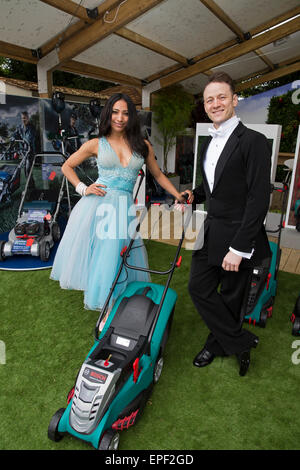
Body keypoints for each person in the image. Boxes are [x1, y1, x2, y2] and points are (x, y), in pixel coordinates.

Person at [50, 93, 188, 327]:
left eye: (125, 112)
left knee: (120, 257)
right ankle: (106, 310)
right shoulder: (96, 143)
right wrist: (83, 188)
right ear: (108, 114)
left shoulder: (142, 146)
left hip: (123, 209)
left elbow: (157, 174)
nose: (120, 117)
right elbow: (67, 166)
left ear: (131, 116)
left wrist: (178, 195)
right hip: (98, 206)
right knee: (105, 258)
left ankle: (118, 303)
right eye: (115, 112)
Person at [188, 72, 272, 376]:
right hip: (211, 230)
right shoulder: (210, 143)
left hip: (239, 237)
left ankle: (218, 343)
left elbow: (258, 198)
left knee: (232, 297)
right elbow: (216, 185)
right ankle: (239, 341)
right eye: (210, 99)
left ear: (235, 100)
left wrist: (239, 247)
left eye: (222, 97)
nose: (215, 103)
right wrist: (194, 193)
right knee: (198, 288)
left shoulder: (254, 141)